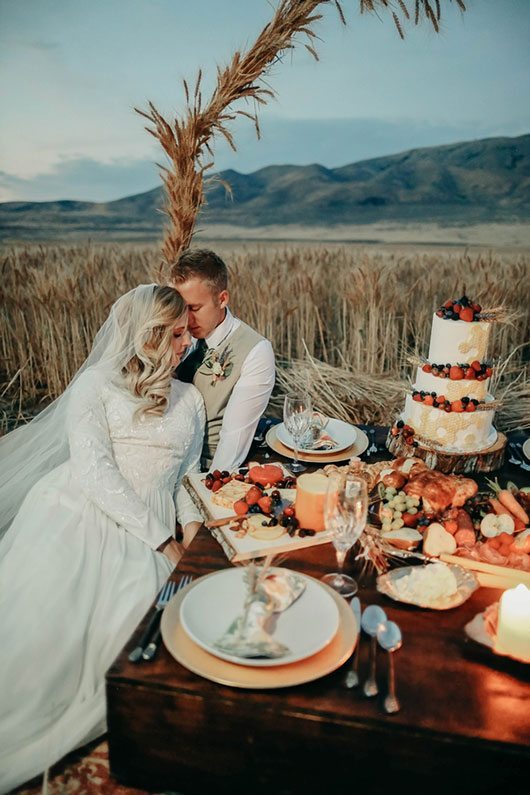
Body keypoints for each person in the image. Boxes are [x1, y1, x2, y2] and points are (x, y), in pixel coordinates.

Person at [0, 284, 205, 794]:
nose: (188, 345)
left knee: (165, 636)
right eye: (176, 335)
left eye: (186, 333)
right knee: (60, 644)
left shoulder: (192, 399)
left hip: (159, 522)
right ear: (149, 337)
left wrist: (196, 541)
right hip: (82, 515)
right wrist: (164, 543)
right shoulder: (97, 385)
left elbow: (186, 479)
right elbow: (93, 471)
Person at [172, 248, 276, 473]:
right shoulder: (176, 335)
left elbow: (233, 439)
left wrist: (206, 491)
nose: (187, 318)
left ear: (222, 299)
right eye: (182, 307)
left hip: (206, 469)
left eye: (195, 308)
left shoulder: (255, 351)